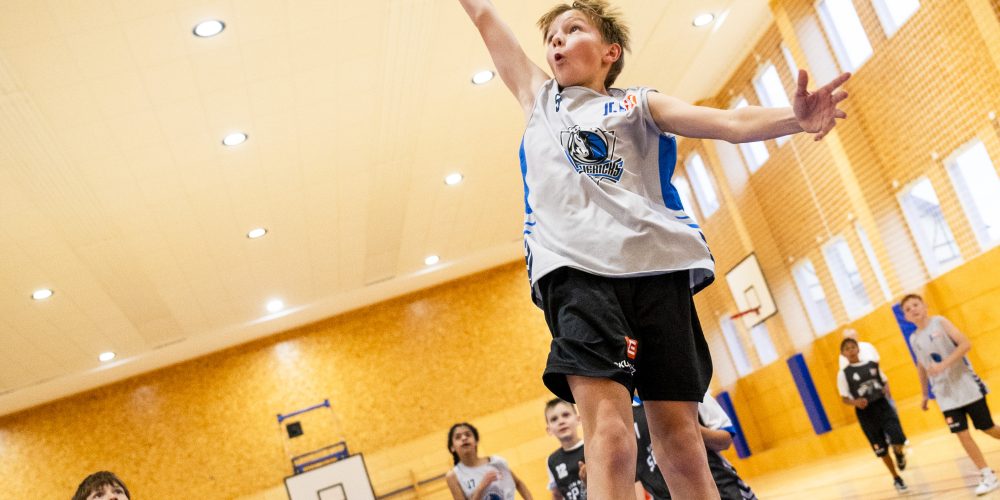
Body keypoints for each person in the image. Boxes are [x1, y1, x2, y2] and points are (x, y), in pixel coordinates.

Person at [456, 0, 850, 497]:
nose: (556, 40)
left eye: (572, 29)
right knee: (612, 441)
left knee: (682, 443)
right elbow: (485, 17)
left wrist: (794, 118)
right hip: (578, 277)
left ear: (610, 52)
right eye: (550, 35)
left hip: (658, 273)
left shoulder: (638, 104)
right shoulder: (539, 100)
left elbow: (728, 122)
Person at [903, 293, 1000, 496]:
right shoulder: (914, 339)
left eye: (915, 304)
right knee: (961, 434)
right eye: (908, 309)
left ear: (925, 305)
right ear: (906, 317)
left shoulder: (940, 322)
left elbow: (966, 344)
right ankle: (987, 475)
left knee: (987, 427)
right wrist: (924, 394)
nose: (913, 310)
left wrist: (944, 365)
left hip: (966, 385)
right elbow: (921, 366)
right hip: (945, 394)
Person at [633, 394, 758, 500]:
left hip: (721, 490)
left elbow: (726, 439)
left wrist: (688, 428)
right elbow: (634, 478)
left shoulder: (687, 385)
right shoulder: (625, 411)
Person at [837, 337, 908, 493]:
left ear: (858, 349)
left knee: (897, 436)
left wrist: (887, 392)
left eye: (852, 347)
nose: (851, 350)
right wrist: (855, 402)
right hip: (866, 413)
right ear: (843, 354)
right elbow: (844, 398)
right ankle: (896, 477)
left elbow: (884, 380)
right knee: (881, 449)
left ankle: (899, 453)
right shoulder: (843, 374)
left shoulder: (872, 365)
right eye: (847, 349)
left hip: (882, 405)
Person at [445, 422, 534, 500]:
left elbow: (518, 483)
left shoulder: (496, 462)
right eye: (458, 437)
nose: (464, 438)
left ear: (476, 441)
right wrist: (481, 487)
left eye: (468, 435)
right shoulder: (453, 476)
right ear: (452, 447)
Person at [544, 399, 586, 500]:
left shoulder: (591, 448)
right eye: (554, 419)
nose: (561, 421)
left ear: (578, 419)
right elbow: (556, 494)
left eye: (566, 415)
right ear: (549, 430)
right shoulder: (551, 460)